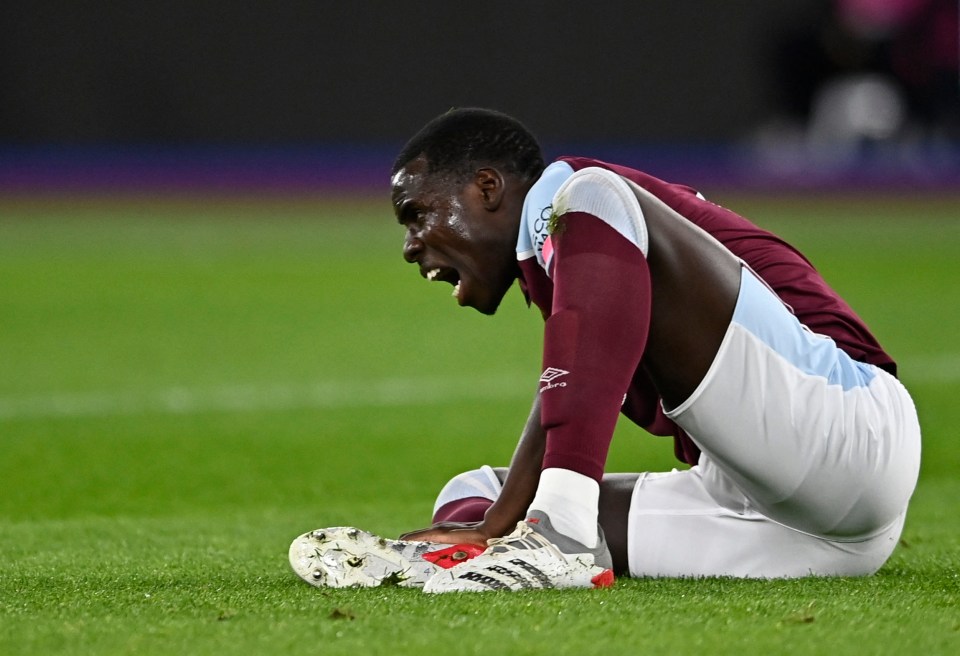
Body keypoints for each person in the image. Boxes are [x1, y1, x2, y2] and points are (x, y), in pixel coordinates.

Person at [288, 108, 921, 592]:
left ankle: (561, 532)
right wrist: (495, 523)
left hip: (852, 429)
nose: (409, 246)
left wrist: (552, 513)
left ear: (487, 187)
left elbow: (596, 209)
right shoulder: (568, 265)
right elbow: (569, 386)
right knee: (474, 491)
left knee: (592, 194)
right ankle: (484, 551)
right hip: (790, 522)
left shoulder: (571, 202)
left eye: (416, 214)